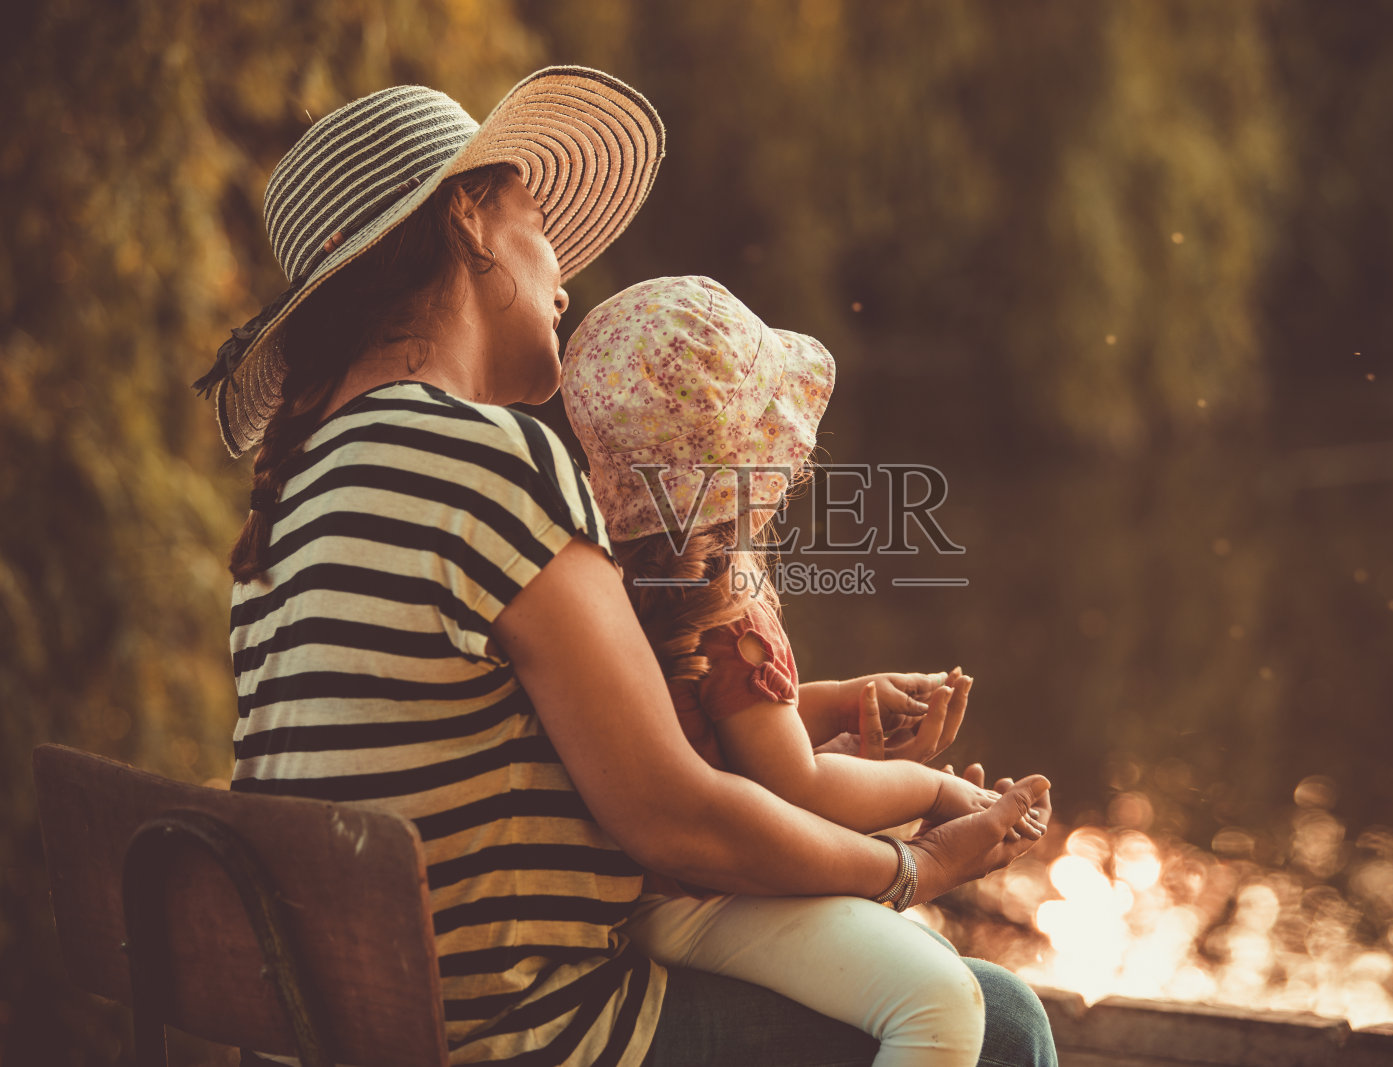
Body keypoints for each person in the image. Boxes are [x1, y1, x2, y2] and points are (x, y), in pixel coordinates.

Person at [198, 67, 1057, 1067]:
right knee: (1000, 1023)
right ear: (471, 221)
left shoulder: (292, 499)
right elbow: (673, 817)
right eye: (538, 218)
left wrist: (806, 754)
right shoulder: (482, 459)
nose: (562, 277)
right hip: (525, 1037)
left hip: (353, 1030)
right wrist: (911, 863)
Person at [560, 273, 1048, 1067]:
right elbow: (796, 786)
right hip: (708, 897)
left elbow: (731, 732)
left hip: (638, 896)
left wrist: (845, 701)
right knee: (940, 999)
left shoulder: (614, 573)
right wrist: (934, 792)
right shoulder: (726, 610)